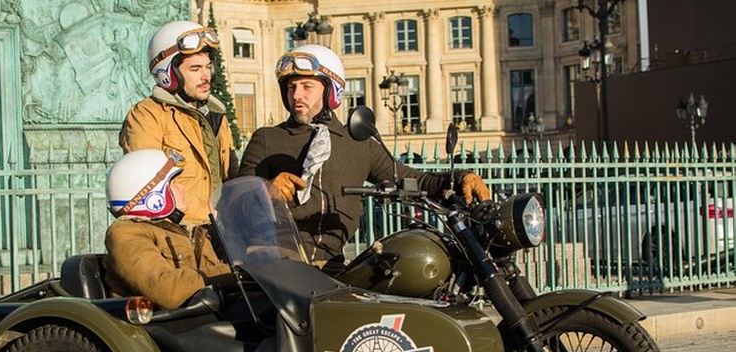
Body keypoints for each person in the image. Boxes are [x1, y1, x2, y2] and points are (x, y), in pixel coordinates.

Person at [238, 44, 490, 274]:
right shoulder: (267, 139)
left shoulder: (358, 143)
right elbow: (236, 205)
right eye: (291, 87)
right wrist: (266, 191)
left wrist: (461, 178)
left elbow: (412, 179)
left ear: (331, 91)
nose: (296, 95)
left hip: (332, 266)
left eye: (307, 87)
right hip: (275, 266)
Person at [104, 20, 238, 308]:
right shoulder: (149, 115)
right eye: (195, 69)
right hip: (175, 233)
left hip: (217, 236)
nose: (206, 76)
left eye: (207, 66)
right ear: (169, 74)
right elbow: (147, 176)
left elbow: (232, 176)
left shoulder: (216, 116)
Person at [104, 149, 230, 310]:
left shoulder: (193, 231)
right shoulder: (126, 233)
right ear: (152, 195)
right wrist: (232, 273)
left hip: (205, 318)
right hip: (164, 327)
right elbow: (165, 291)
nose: (182, 189)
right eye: (173, 184)